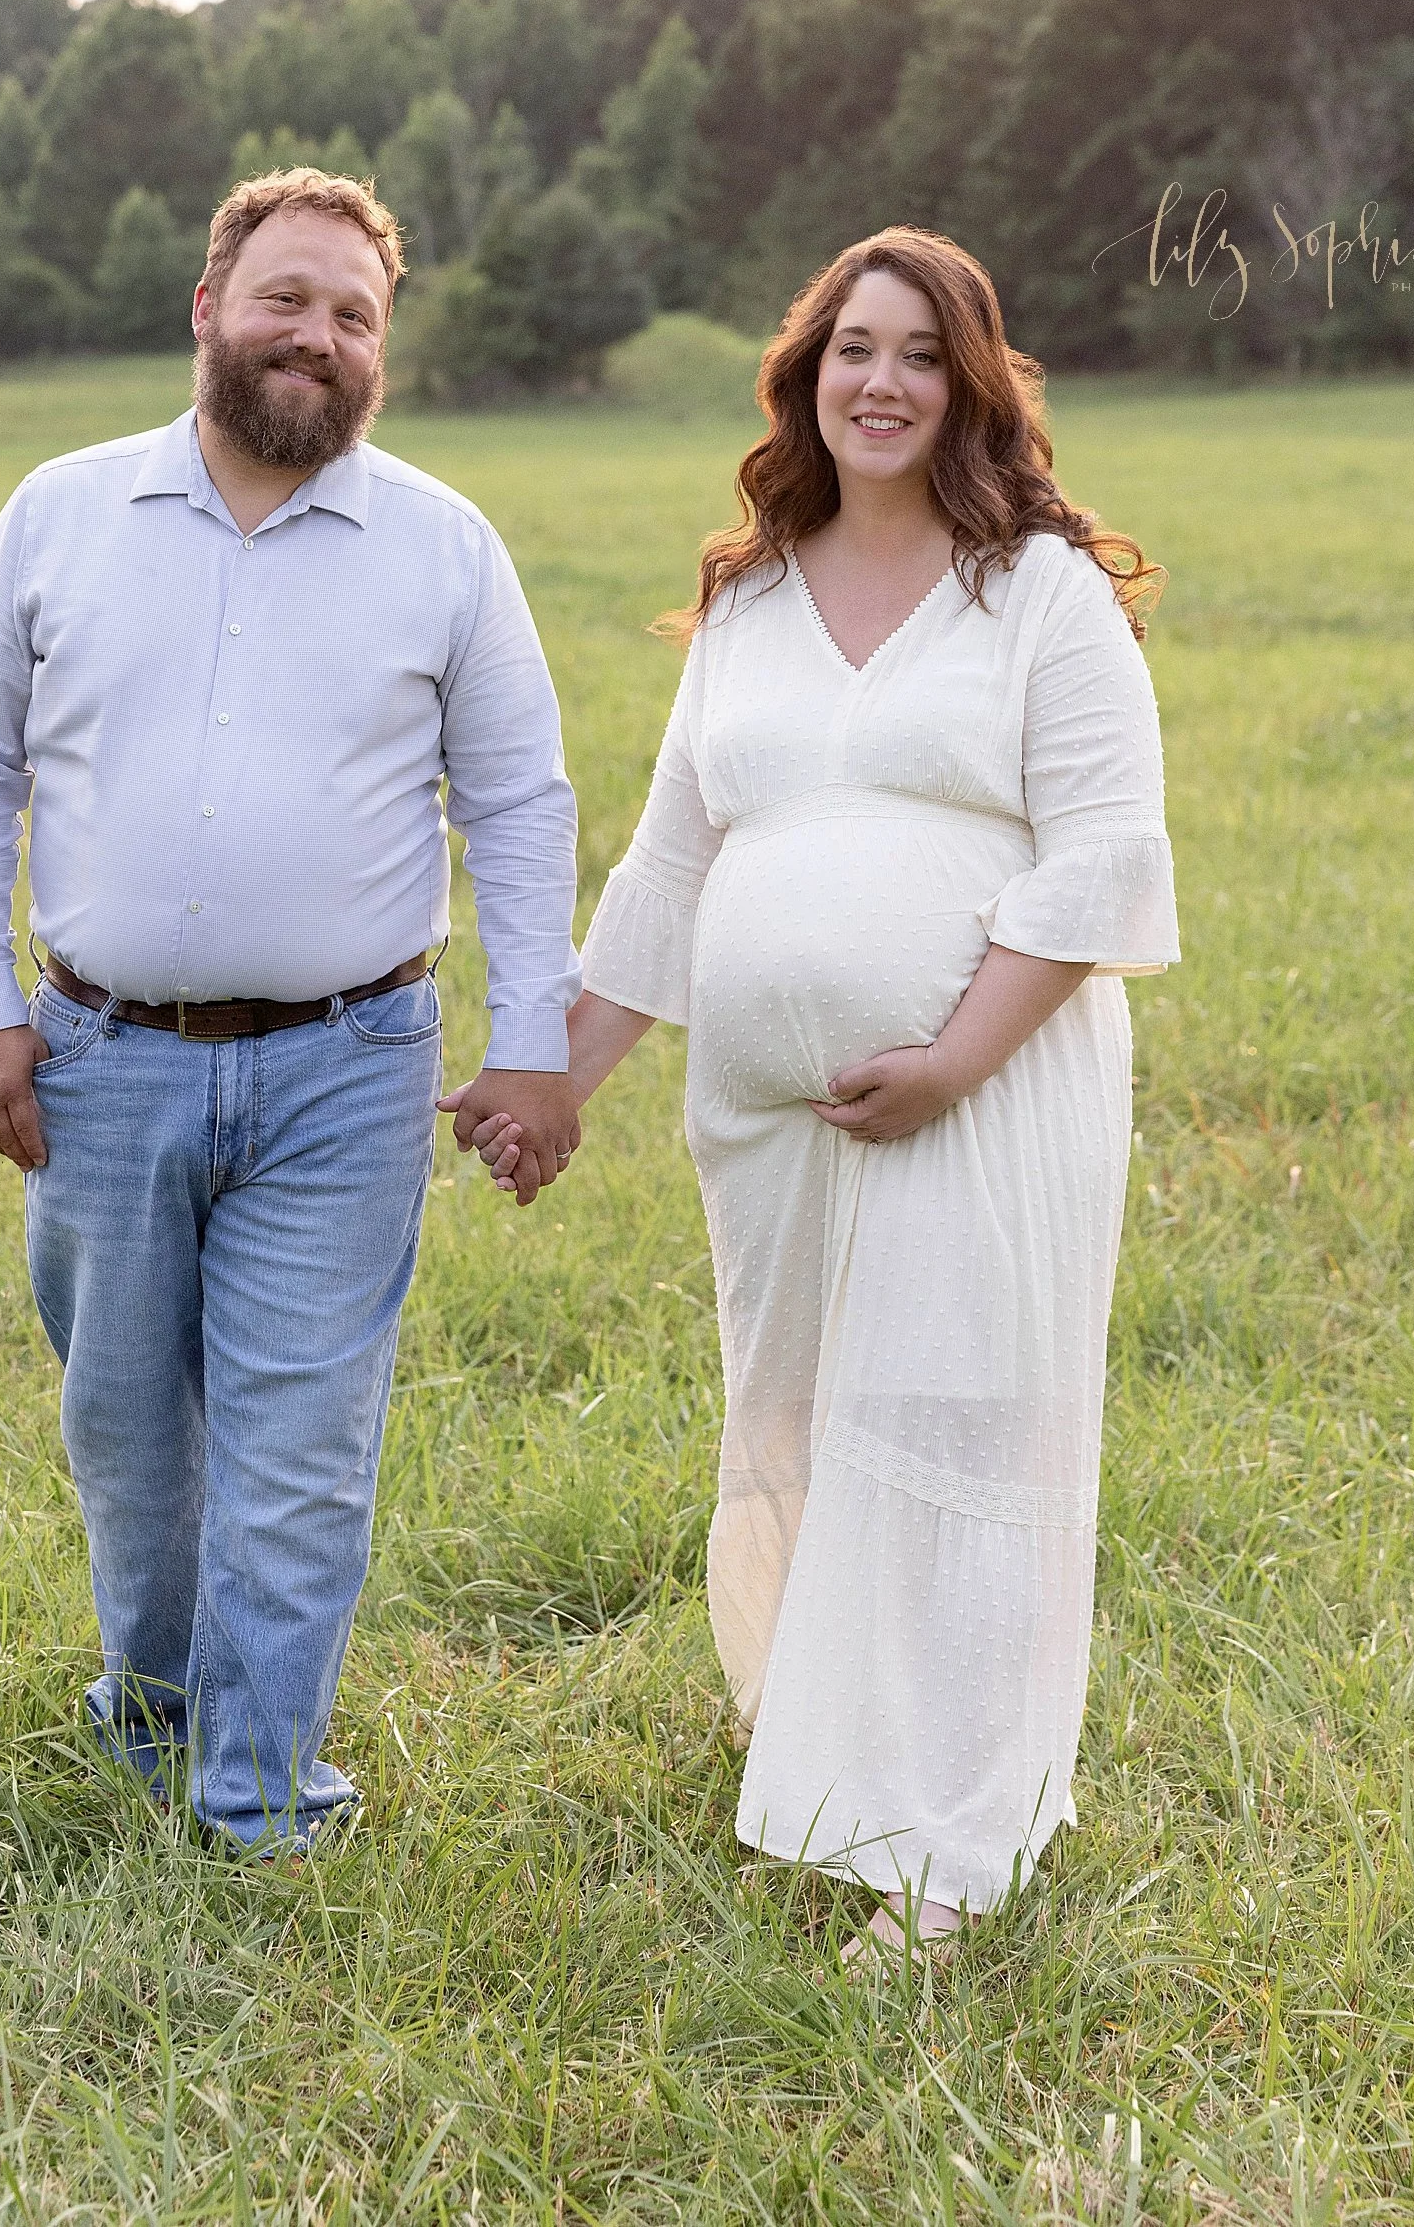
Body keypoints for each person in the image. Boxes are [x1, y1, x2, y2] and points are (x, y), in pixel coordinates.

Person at [470, 229, 1178, 1950]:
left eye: (921, 353)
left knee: (946, 1425)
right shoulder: (753, 600)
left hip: (990, 1089)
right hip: (771, 1116)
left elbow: (1102, 861)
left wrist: (950, 1060)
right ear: (804, 377)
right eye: (851, 347)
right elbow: (667, 866)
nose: (881, 381)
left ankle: (942, 1854)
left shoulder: (1041, 594)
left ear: (975, 383)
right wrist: (550, 1081)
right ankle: (824, 1758)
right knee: (797, 1420)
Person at [0, 168, 581, 1849]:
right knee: (131, 1446)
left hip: (350, 1068)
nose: (318, 335)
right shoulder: (59, 514)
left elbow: (520, 801)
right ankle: (149, 1711)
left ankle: (257, 1790)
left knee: (296, 1449)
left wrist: (534, 1031)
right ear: (207, 308)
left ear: (382, 351)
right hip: (98, 1059)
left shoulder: (441, 544)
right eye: (289, 297)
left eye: (355, 315)